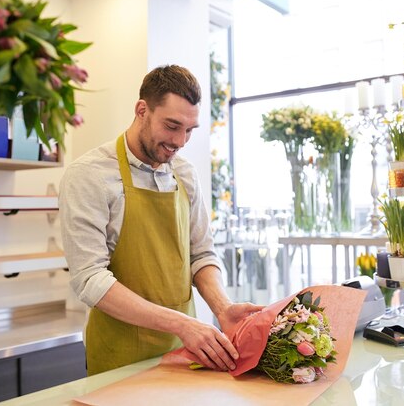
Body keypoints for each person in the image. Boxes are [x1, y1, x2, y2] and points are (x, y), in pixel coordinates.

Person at [59, 65, 262, 375]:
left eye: (190, 129)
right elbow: (90, 279)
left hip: (188, 355)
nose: (180, 140)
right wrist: (182, 324)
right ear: (142, 110)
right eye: (172, 126)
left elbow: (201, 254)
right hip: (120, 359)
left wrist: (222, 308)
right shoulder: (89, 175)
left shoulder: (185, 173)